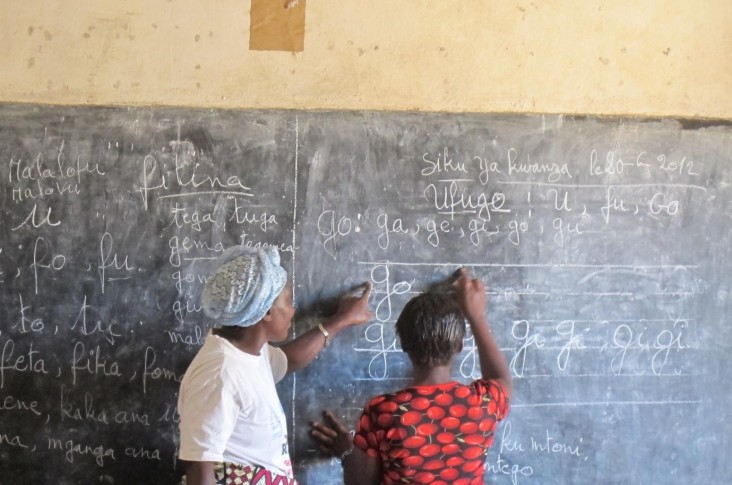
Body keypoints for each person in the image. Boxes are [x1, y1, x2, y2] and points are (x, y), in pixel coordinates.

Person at [177, 246, 373, 485]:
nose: (294, 310)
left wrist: (340, 321)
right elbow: (200, 466)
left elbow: (287, 360)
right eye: (289, 300)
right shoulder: (220, 372)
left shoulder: (248, 353)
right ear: (266, 311)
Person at [310, 268, 512, 485]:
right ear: (461, 345)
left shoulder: (383, 411)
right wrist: (476, 316)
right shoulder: (484, 403)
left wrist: (347, 452)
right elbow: (502, 378)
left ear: (404, 344)